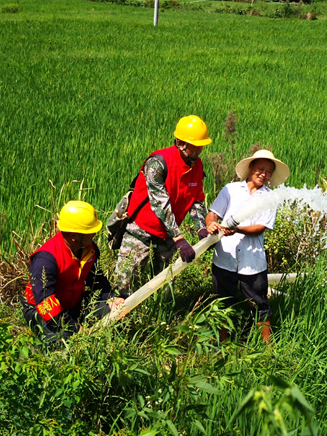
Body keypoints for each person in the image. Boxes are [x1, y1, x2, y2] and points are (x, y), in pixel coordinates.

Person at [114, 115, 212, 297]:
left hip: (168, 232)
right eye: (196, 145)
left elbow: (197, 199)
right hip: (142, 226)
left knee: (166, 282)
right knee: (125, 281)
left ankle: (162, 316)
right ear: (181, 143)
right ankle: (118, 319)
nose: (200, 149)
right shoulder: (158, 163)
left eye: (202, 145)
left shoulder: (197, 166)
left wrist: (201, 229)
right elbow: (160, 203)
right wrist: (179, 238)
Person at [205, 149, 290, 344]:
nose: (264, 174)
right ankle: (221, 344)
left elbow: (260, 228)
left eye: (269, 172)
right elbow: (213, 213)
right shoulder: (230, 190)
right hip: (225, 258)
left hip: (252, 262)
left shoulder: (269, 198)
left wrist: (238, 229)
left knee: (260, 303)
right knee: (222, 303)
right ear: (251, 168)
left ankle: (267, 348)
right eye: (261, 168)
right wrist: (211, 223)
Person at [22, 200, 124, 344]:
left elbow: (97, 279)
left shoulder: (90, 249)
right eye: (89, 232)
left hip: (74, 302)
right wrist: (76, 329)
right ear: (74, 235)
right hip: (42, 310)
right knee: (61, 341)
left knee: (113, 313)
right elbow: (46, 304)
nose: (95, 233)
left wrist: (110, 298)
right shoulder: (45, 259)